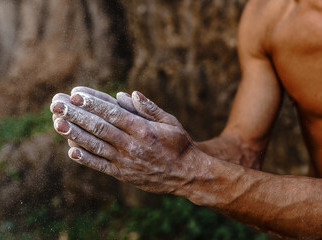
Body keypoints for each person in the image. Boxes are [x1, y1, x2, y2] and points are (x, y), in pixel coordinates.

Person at [50, 0, 322, 238]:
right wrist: (164, 148)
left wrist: (190, 171)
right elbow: (244, 149)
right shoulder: (269, 15)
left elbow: (192, 169)